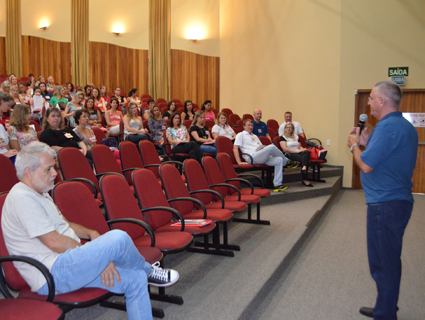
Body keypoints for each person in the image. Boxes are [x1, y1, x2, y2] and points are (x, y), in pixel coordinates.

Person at [1, 142, 179, 320]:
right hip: (51, 274)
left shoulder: (40, 192)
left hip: (69, 265)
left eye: (54, 167)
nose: (55, 173)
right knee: (118, 238)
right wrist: (95, 258)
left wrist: (92, 236)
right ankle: (149, 271)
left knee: (136, 279)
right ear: (28, 172)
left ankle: (144, 274)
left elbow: (66, 224)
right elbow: (53, 242)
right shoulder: (22, 198)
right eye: (48, 169)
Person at [347, 81, 418, 320]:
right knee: (388, 259)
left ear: (382, 101)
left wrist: (355, 146)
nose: (368, 102)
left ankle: (385, 314)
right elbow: (383, 158)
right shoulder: (401, 125)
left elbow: (365, 165)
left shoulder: (387, 128)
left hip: (386, 204)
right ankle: (385, 308)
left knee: (382, 265)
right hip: (396, 201)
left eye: (371, 98)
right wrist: (367, 145)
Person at [234, 119, 294, 191]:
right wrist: (239, 162)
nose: (250, 127)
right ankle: (287, 161)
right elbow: (235, 148)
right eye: (248, 125)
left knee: (279, 160)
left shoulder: (255, 136)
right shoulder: (241, 135)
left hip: (260, 155)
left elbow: (261, 147)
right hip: (252, 157)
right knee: (271, 147)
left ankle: (277, 184)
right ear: (244, 126)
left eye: (252, 125)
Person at [279, 122, 312, 187]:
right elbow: (285, 149)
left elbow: (299, 146)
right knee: (304, 159)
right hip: (289, 153)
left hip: (298, 151)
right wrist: (296, 151)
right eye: (287, 127)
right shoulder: (282, 137)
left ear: (293, 129)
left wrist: (302, 149)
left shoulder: (296, 136)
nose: (288, 129)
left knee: (307, 152)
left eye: (290, 127)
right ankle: (305, 178)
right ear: (285, 129)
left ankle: (304, 168)